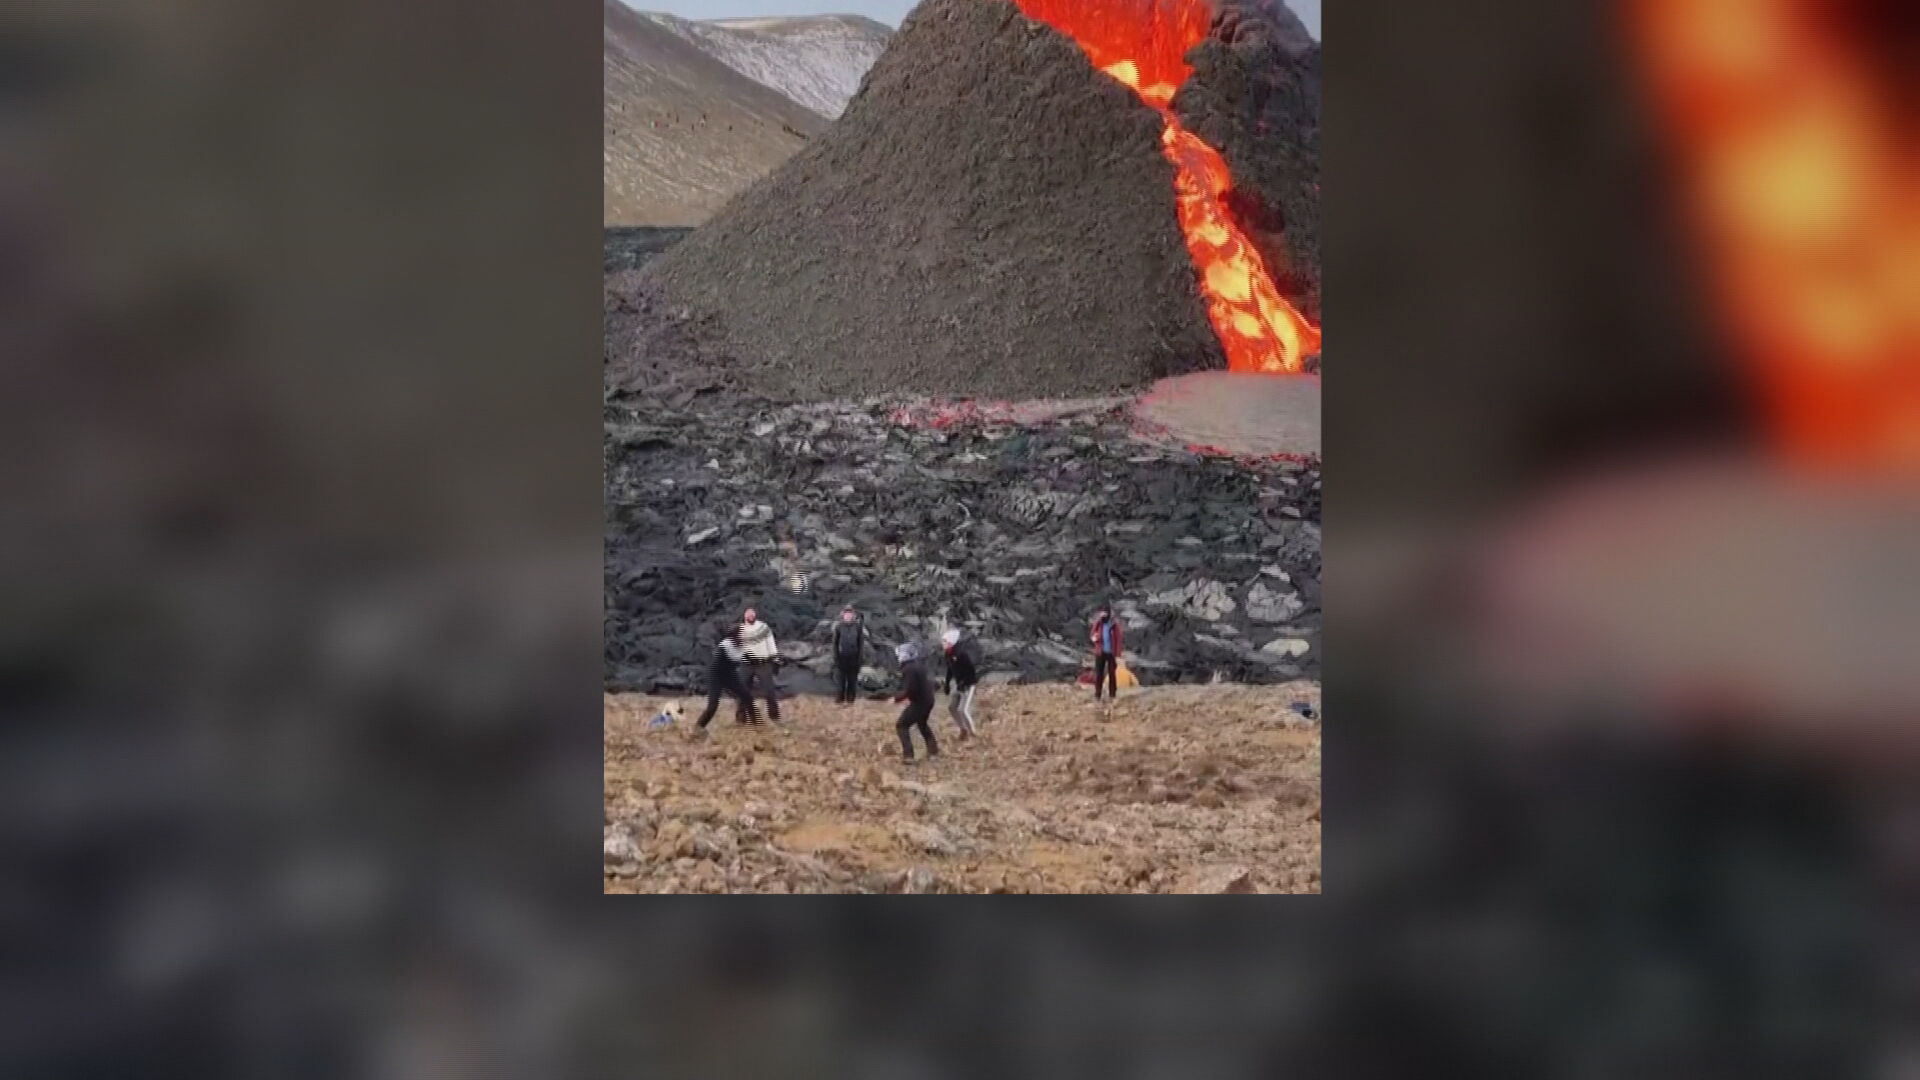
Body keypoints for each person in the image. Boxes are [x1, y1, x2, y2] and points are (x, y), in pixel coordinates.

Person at [694, 626, 757, 731]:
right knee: (713, 706)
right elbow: (736, 657)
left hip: (729, 673)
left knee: (747, 696)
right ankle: (698, 728)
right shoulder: (726, 644)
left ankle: (755, 724)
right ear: (736, 636)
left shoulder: (744, 645)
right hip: (716, 674)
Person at [892, 642, 939, 763]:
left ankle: (908, 756)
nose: (898, 657)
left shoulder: (908, 669)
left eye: (899, 654)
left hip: (920, 703)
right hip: (928, 700)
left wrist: (897, 699)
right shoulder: (917, 665)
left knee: (901, 725)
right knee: (922, 724)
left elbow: (910, 689)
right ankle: (933, 752)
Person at [737, 607, 782, 722]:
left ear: (755, 615)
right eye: (748, 615)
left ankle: (774, 716)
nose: (750, 617)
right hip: (746, 664)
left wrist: (775, 658)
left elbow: (771, 643)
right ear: (745, 617)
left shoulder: (763, 628)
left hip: (763, 663)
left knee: (769, 690)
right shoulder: (740, 630)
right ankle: (741, 717)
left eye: (752, 615)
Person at [940, 627, 980, 738]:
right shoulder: (948, 654)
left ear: (951, 642)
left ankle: (973, 733)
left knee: (962, 709)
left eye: (945, 641)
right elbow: (950, 669)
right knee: (952, 708)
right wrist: (947, 684)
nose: (943, 644)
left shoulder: (962, 654)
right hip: (958, 684)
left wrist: (965, 683)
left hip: (968, 685)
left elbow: (971, 671)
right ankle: (963, 730)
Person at [830, 606, 870, 705]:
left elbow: (861, 643)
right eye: (846, 614)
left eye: (850, 614)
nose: (848, 616)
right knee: (841, 679)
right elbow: (834, 643)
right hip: (842, 657)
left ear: (853, 615)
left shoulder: (857, 627)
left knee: (852, 679)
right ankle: (840, 698)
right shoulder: (838, 627)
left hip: (854, 657)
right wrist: (836, 656)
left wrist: (860, 657)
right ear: (843, 615)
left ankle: (851, 699)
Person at [1089, 604, 1125, 703]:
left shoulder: (1114, 625)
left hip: (1111, 653)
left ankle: (1112, 694)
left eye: (1105, 613)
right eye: (1102, 613)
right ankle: (1097, 694)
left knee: (1112, 674)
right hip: (1100, 652)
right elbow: (1092, 634)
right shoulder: (1098, 623)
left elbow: (1118, 639)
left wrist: (1118, 654)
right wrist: (1094, 638)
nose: (1103, 615)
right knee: (1099, 674)